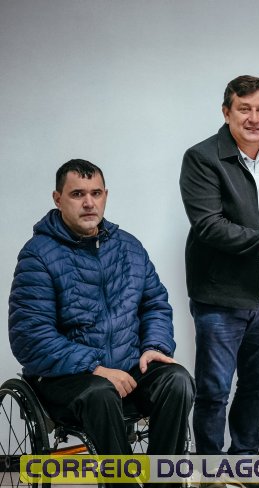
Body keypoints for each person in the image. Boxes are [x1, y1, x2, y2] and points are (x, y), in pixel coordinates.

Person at [8, 159, 195, 484]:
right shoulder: (38, 255)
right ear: (58, 199)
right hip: (67, 379)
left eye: (95, 193)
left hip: (127, 369)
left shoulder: (129, 248)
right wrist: (95, 368)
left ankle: (163, 481)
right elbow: (31, 336)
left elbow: (154, 304)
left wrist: (154, 346)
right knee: (101, 392)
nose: (89, 202)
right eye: (77, 194)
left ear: (105, 195)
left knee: (177, 380)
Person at [179, 75, 259, 468]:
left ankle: (244, 460)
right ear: (226, 112)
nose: (254, 118)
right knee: (214, 390)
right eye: (244, 109)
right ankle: (210, 468)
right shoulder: (201, 157)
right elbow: (208, 225)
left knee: (258, 385)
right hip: (221, 297)